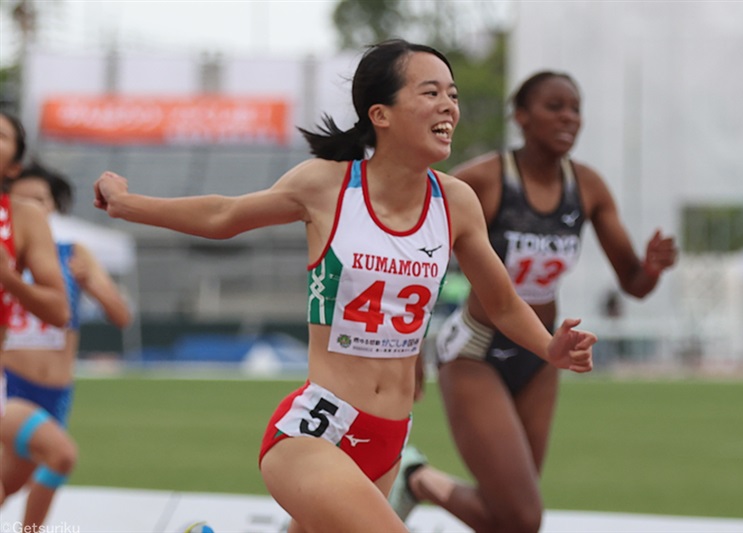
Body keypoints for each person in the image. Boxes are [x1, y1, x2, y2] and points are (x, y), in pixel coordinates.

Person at [92, 42, 596, 533]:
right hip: (316, 432)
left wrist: (550, 347)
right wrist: (127, 203)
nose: (448, 106)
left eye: (454, 94)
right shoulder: (326, 185)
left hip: (390, 439)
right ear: (381, 114)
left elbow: (504, 302)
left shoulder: (456, 203)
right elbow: (224, 215)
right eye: (430, 93)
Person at [388, 71, 678, 532]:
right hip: (475, 351)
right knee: (523, 516)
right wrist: (411, 346)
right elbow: (421, 260)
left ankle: (418, 480)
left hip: (541, 353)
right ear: (521, 117)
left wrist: (654, 267)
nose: (568, 118)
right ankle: (416, 478)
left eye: (575, 108)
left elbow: (634, 284)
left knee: (511, 516)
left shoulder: (587, 187)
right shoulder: (483, 181)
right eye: (554, 106)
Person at [1, 161, 132, 528]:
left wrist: (89, 282)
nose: (31, 208)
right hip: (10, 386)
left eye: (40, 200)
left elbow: (122, 317)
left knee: (11, 485)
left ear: (53, 207)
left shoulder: (73, 254)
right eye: (21, 199)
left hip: (56, 393)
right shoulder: (4, 253)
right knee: (60, 456)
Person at [0, 111, 71, 507]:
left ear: (13, 165)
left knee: (58, 456)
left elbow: (59, 310)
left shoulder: (23, 218)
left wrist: (8, 277)